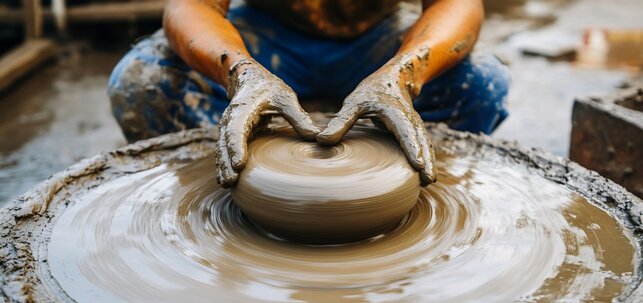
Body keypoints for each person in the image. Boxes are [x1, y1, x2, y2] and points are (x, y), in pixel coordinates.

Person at [108, 0, 509, 188]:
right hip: (264, 35)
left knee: (480, 84)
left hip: (376, 41)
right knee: (144, 84)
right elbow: (190, 6)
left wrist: (400, 77)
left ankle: (411, 189)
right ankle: (220, 192)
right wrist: (241, 75)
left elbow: (457, 5)